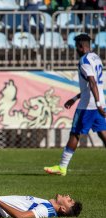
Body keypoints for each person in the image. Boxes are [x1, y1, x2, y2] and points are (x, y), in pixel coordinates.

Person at [44, 34, 105, 176]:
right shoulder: (96, 58)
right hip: (99, 101)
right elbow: (92, 84)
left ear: (81, 46)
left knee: (75, 134)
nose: (75, 49)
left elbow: (92, 82)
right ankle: (62, 167)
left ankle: (62, 167)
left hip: (88, 106)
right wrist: (76, 98)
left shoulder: (84, 60)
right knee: (103, 133)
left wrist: (96, 104)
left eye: (76, 46)